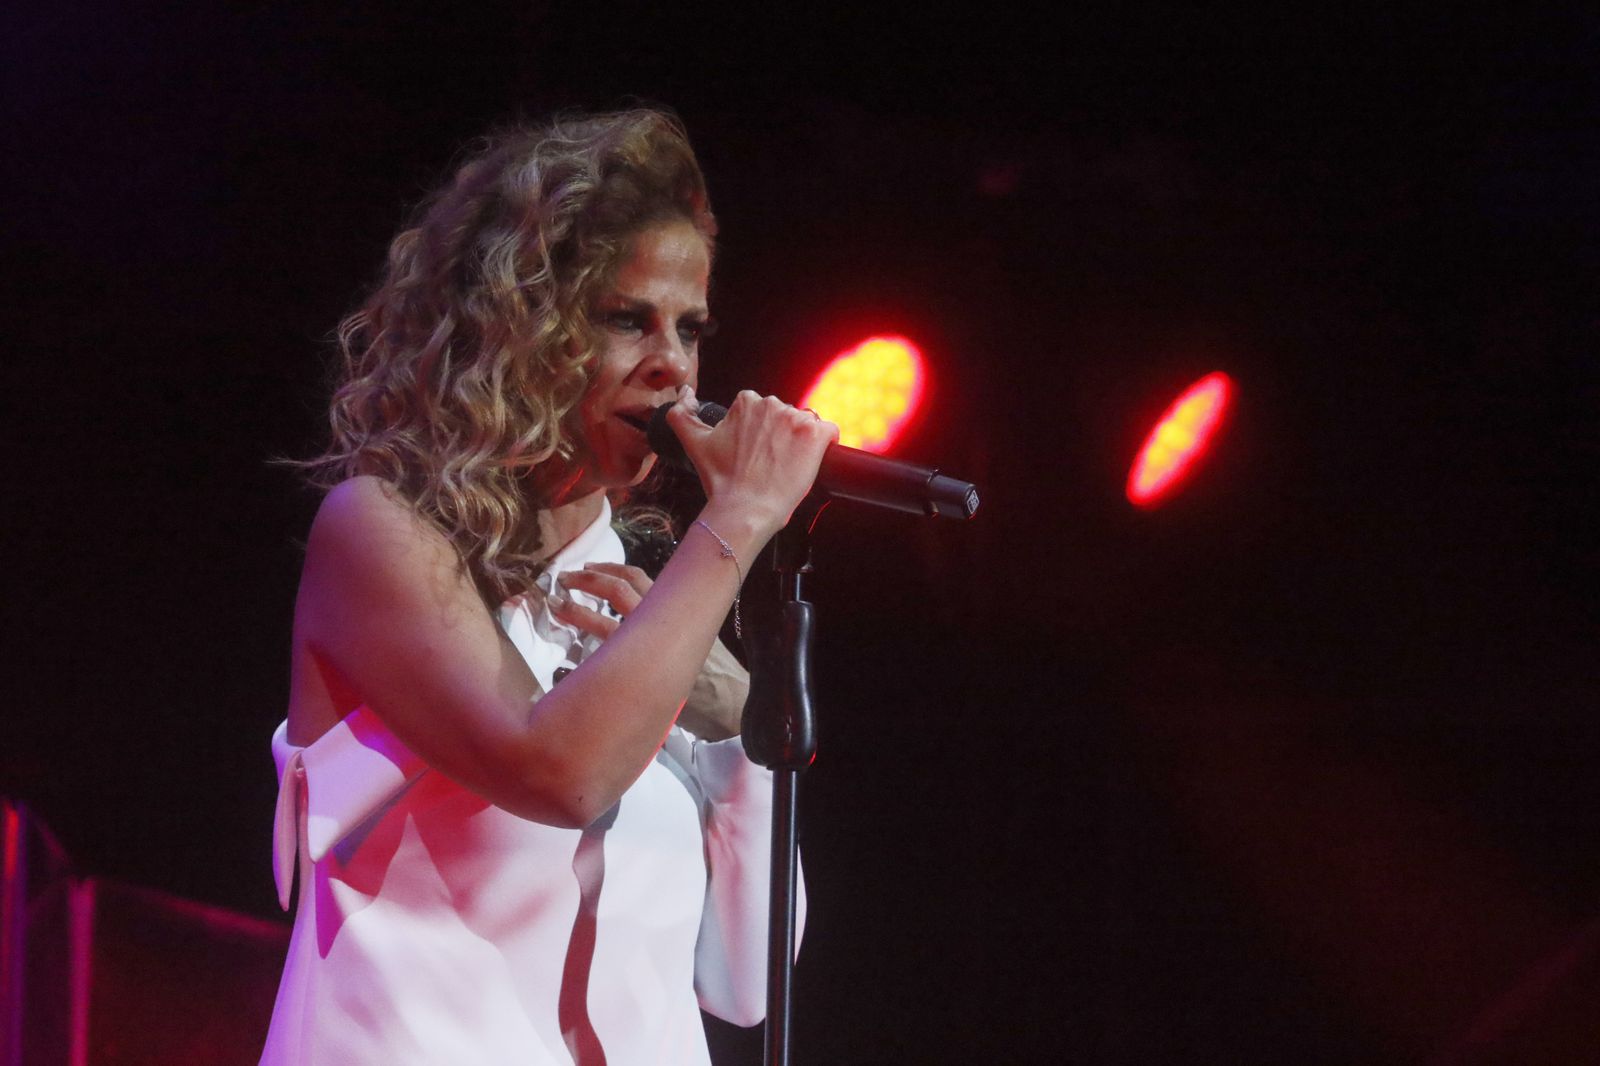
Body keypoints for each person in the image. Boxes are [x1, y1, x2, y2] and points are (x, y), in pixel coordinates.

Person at [261, 109, 837, 1065]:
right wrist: (732, 523)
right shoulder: (379, 536)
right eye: (627, 319)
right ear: (515, 331)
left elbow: (747, 978)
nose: (673, 365)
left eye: (689, 328)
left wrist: (741, 732)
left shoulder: (651, 605)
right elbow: (560, 772)